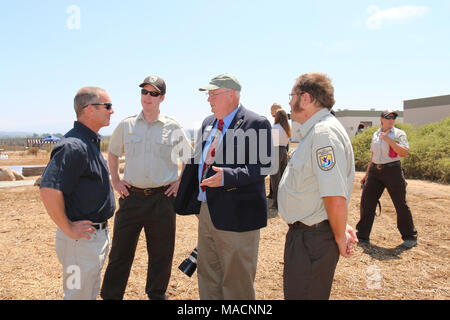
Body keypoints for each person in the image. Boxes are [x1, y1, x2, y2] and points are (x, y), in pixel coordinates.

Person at [174, 73, 272, 300]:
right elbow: (199, 160)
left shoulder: (256, 123)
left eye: (213, 94)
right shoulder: (208, 123)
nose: (209, 99)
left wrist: (228, 176)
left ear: (232, 94)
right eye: (208, 95)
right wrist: (192, 197)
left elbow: (264, 166)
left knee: (236, 280)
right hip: (207, 210)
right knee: (208, 274)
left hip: (238, 214)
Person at [100, 75, 190, 300]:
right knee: (121, 252)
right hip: (132, 197)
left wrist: (180, 181)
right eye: (144, 92)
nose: (148, 97)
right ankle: (111, 295)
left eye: (154, 93)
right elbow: (112, 154)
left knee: (161, 253)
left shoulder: (173, 126)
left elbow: (189, 157)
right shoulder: (127, 124)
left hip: (162, 199)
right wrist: (116, 181)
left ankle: (156, 293)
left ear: (162, 98)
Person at [278, 72, 358, 300]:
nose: (289, 102)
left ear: (306, 98)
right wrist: (339, 226)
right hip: (308, 237)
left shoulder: (323, 134)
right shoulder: (317, 131)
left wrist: (339, 235)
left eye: (292, 95)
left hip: (312, 242)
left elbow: (334, 196)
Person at [40, 86, 116, 300]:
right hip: (79, 242)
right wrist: (68, 227)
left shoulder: (88, 141)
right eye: (108, 106)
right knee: (77, 296)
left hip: (91, 239)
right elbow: (48, 190)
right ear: (90, 109)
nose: (112, 111)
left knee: (87, 294)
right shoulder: (73, 146)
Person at [357, 110, 418, 248]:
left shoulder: (399, 134)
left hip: (392, 170)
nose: (391, 120)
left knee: (400, 204)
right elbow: (373, 155)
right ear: (381, 119)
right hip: (375, 171)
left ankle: (410, 237)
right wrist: (367, 174)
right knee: (367, 202)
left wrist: (389, 140)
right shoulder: (376, 134)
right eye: (388, 117)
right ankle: (362, 236)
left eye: (393, 117)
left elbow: (404, 152)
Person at [269, 109, 291, 210]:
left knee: (275, 178)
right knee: (283, 177)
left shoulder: (275, 127)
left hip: (276, 151)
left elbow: (272, 142)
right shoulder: (287, 128)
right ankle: (284, 201)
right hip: (284, 151)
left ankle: (276, 203)